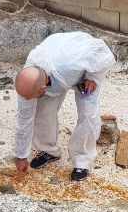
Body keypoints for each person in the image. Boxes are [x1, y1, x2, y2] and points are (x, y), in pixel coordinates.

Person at [14, 32, 116, 181]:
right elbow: (24, 120)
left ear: (43, 88)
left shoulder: (70, 62)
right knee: (41, 113)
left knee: (88, 116)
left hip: (84, 75)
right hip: (55, 77)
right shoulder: (27, 81)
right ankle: (49, 150)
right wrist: (21, 155)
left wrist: (93, 77)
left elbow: (101, 52)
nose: (31, 100)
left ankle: (82, 161)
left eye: (36, 95)